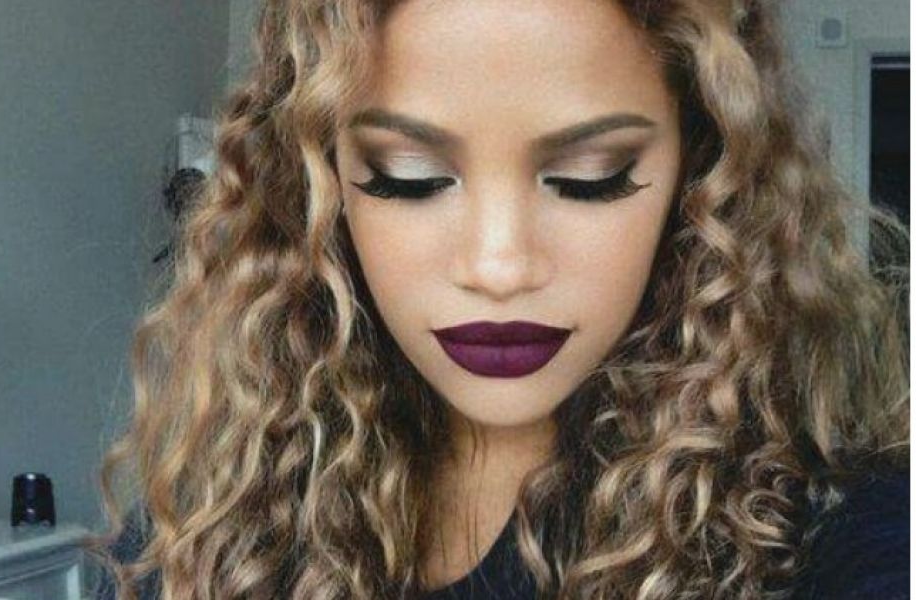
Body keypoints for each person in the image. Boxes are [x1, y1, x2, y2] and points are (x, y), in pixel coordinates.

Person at [89, 0, 910, 598]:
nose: (499, 266)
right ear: (321, 187)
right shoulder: (218, 527)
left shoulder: (828, 527)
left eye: (591, 178)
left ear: (697, 177)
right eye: (408, 177)